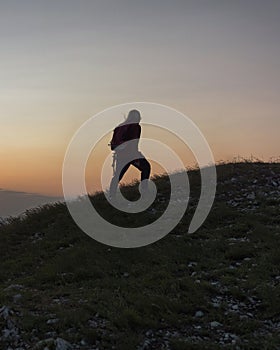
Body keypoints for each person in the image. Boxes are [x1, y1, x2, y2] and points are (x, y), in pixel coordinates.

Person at [109, 109, 151, 199]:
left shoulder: (120, 127)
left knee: (117, 175)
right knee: (146, 167)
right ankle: (144, 190)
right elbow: (133, 143)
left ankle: (111, 196)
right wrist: (136, 156)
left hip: (120, 155)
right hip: (131, 154)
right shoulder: (135, 127)